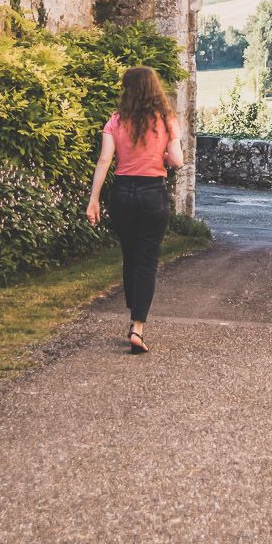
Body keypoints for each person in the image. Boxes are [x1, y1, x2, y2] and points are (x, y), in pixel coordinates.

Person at [86, 66, 184, 354]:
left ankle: (133, 310)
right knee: (147, 260)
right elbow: (177, 160)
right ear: (154, 89)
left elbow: (105, 161)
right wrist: (163, 154)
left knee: (130, 256)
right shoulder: (166, 120)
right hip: (152, 192)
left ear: (127, 90)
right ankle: (137, 326)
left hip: (123, 194)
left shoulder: (116, 120)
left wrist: (94, 200)